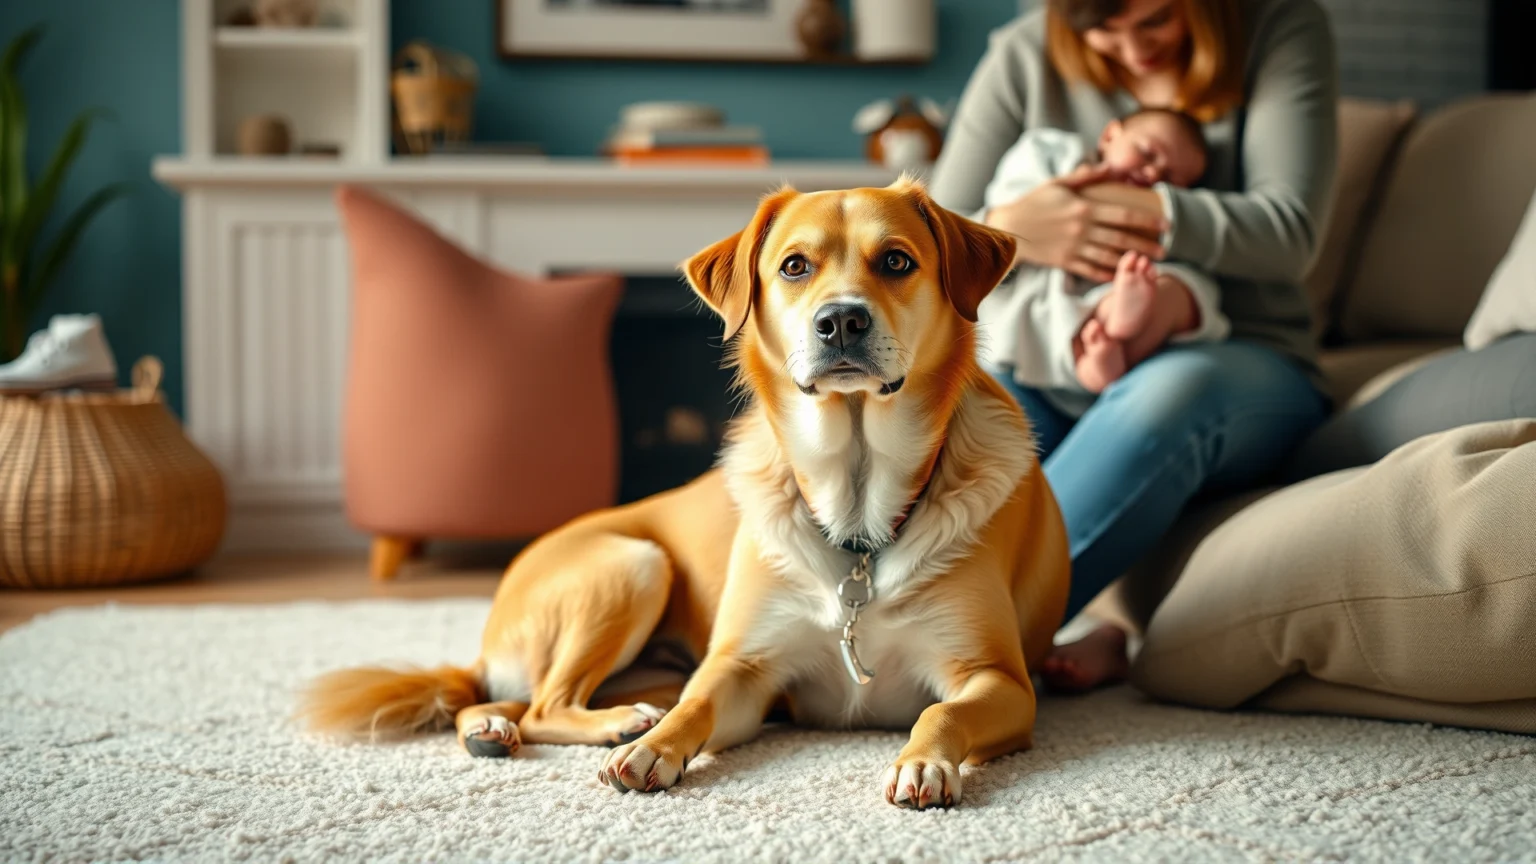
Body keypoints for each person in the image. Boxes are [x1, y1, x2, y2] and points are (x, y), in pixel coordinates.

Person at [930, 0, 1339, 690]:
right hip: (1049, 354)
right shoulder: (1025, 51)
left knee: (1162, 398)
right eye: (1104, 31)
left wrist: (1112, 209)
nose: (1132, 48)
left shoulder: (1277, 27)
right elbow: (936, 233)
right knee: (952, 408)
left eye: (1155, 20)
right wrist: (1016, 228)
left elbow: (1290, 229)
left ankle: (962, 640)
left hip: (1233, 353)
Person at [980, 107, 1230, 394]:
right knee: (1050, 313)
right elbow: (1006, 200)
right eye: (1147, 154)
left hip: (1103, 301)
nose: (1153, 174)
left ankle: (1105, 349)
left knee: (1186, 287)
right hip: (1032, 297)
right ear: (1110, 136)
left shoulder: (1158, 225)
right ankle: (1097, 348)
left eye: (1170, 180)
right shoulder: (1057, 153)